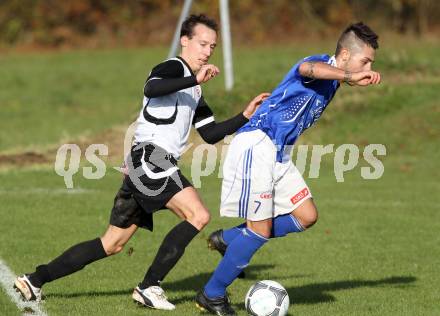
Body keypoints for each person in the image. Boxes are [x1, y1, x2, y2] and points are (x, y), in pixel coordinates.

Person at [14, 14, 268, 311]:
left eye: (212, 46)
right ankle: (149, 287)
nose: (207, 51)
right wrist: (192, 78)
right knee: (197, 215)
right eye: (202, 43)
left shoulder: (194, 90)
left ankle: (34, 279)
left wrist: (245, 116)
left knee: (112, 244)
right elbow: (152, 88)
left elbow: (210, 133)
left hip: (144, 163)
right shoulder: (173, 67)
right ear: (184, 41)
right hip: (150, 157)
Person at [195, 22, 381, 316]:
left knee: (306, 216)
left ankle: (228, 239)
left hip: (279, 153)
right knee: (259, 230)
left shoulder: (334, 80)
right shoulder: (320, 65)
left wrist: (349, 78)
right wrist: (350, 74)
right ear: (345, 55)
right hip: (258, 143)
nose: (368, 67)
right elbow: (308, 69)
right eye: (365, 60)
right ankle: (212, 295)